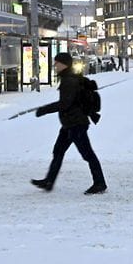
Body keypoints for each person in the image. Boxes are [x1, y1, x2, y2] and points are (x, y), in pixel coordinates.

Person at [31, 52, 107, 195]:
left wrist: (44, 109)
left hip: (76, 124)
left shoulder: (69, 81)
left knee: (87, 154)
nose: (54, 65)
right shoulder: (69, 78)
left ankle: (100, 183)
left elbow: (65, 104)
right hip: (70, 124)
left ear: (64, 64)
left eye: (57, 63)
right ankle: (49, 181)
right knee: (58, 151)